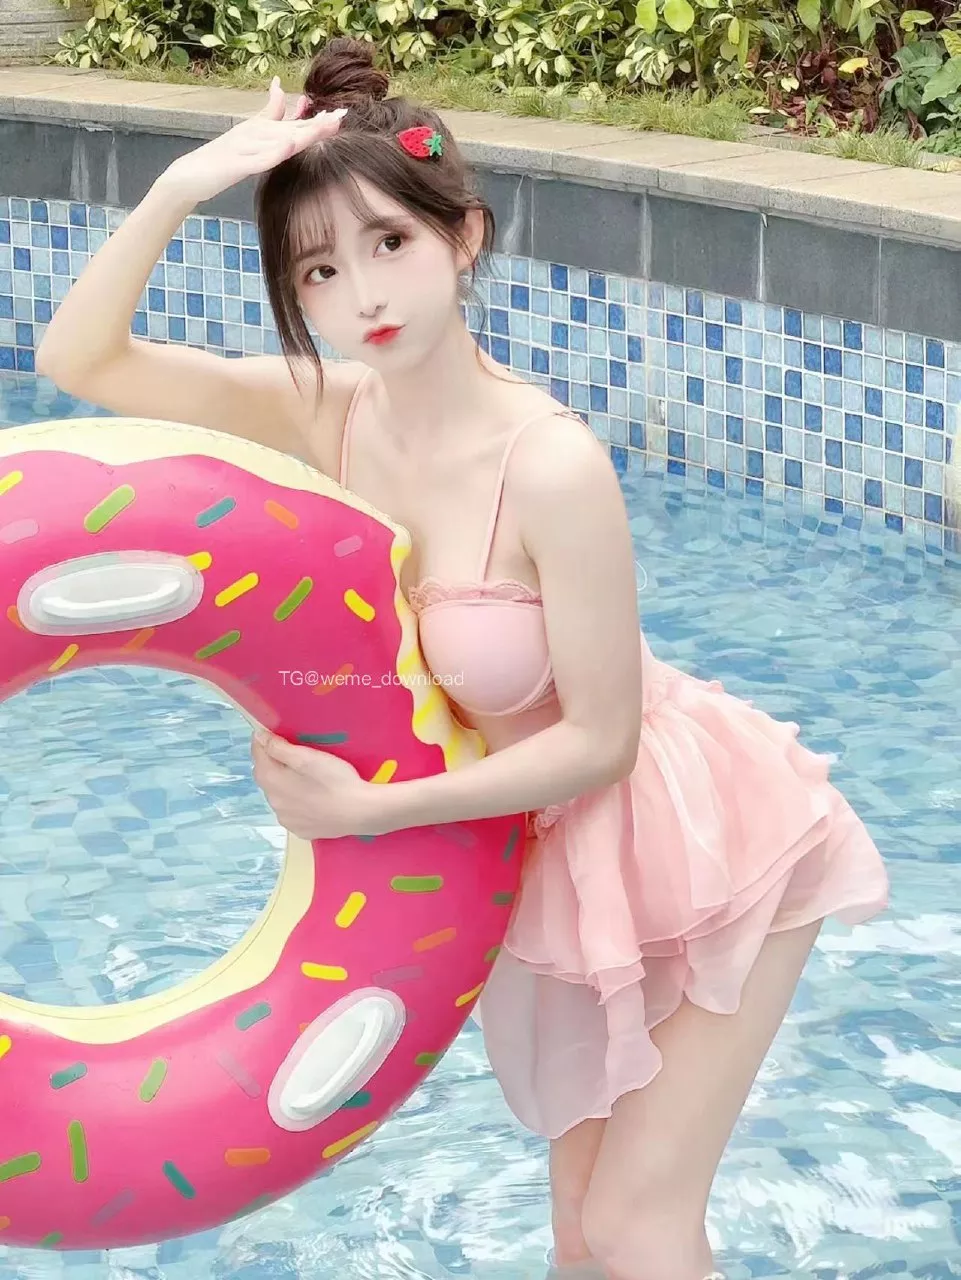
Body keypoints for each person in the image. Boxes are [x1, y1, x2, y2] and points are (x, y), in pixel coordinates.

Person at [35, 37, 890, 1280]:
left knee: (634, 1223)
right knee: (577, 1230)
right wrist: (186, 182)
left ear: (464, 237)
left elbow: (602, 741)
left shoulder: (551, 463)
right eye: (320, 269)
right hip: (540, 858)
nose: (363, 294)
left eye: (391, 243)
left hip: (696, 845)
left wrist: (372, 812)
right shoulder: (327, 411)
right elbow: (79, 360)